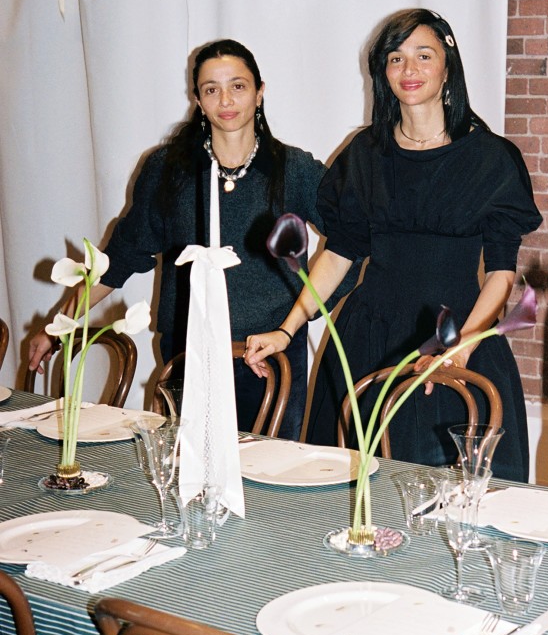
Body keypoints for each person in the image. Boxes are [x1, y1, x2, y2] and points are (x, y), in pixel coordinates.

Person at [245, 9, 542, 479]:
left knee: (453, 498)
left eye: (424, 56)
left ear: (448, 66)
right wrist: (287, 328)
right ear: (382, 72)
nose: (410, 70)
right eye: (396, 58)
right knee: (356, 494)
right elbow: (339, 253)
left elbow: (502, 272)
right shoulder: (364, 154)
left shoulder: (491, 158)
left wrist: (462, 345)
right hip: (370, 339)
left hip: (456, 340)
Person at [29, 39, 341, 439]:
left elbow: (347, 244)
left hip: (269, 358)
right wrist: (60, 322)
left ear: (260, 92)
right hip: (186, 352)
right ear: (197, 98)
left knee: (265, 481)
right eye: (212, 89)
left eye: (238, 86)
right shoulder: (168, 169)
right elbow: (121, 257)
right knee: (185, 475)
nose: (225, 99)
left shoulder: (293, 169)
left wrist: (293, 323)